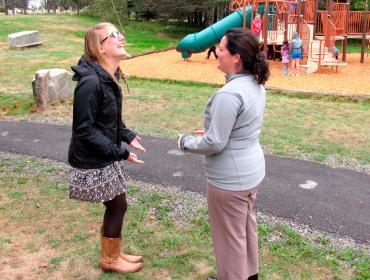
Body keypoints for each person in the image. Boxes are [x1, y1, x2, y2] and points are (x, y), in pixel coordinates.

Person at [178, 28, 269, 280]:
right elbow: (237, 128)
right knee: (244, 229)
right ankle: (249, 275)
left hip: (230, 180)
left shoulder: (230, 93)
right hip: (250, 173)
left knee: (229, 240)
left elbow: (215, 142)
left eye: (221, 48)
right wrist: (212, 132)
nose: (217, 52)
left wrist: (184, 142)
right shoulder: (255, 84)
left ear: (236, 56)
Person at [68, 22, 146, 273]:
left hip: (104, 152)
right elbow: (84, 129)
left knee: (117, 204)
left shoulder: (108, 76)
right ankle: (110, 259)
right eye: (114, 35)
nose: (121, 37)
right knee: (117, 204)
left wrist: (127, 135)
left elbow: (109, 118)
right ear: (100, 49)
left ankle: (113, 254)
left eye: (119, 32)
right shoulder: (91, 82)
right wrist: (120, 151)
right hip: (92, 157)